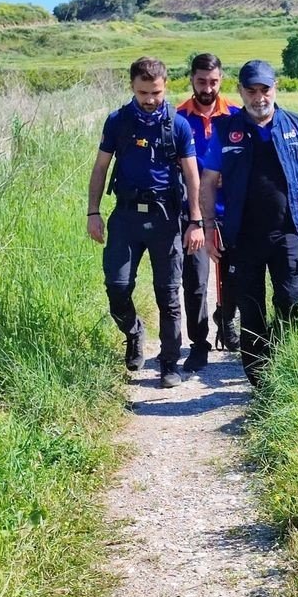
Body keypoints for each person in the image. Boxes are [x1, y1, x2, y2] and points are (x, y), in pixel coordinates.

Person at [200, 59, 298, 386]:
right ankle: (261, 381)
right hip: (242, 236)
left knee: (291, 300)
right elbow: (207, 181)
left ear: (276, 88)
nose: (259, 97)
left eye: (265, 89)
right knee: (251, 309)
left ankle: (282, 357)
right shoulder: (224, 130)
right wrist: (207, 226)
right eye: (251, 90)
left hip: (288, 231)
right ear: (240, 91)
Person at [87, 57, 204, 388]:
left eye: (155, 92)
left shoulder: (178, 126)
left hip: (166, 219)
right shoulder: (118, 122)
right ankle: (134, 332)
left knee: (168, 294)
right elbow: (100, 169)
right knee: (117, 286)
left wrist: (195, 220)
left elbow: (192, 175)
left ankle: (169, 363)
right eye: (143, 93)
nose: (150, 100)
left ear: (165, 85)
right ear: (132, 87)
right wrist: (93, 212)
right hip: (125, 217)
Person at [176, 53, 241, 372]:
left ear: (222, 80)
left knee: (235, 276)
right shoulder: (177, 118)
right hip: (193, 214)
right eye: (201, 81)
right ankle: (198, 343)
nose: (207, 88)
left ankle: (226, 316)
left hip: (232, 209)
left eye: (213, 82)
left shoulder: (237, 116)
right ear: (191, 79)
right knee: (196, 281)